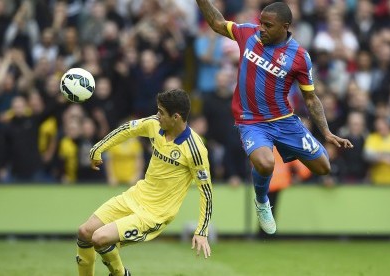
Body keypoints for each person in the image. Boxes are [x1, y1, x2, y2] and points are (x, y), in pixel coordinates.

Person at [195, 1, 353, 234]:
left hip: (285, 121)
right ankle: (261, 200)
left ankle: (288, 147)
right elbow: (218, 23)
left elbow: (310, 99)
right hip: (252, 122)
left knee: (323, 167)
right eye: (261, 23)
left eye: (268, 25)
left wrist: (326, 132)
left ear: (285, 26)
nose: (262, 29)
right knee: (266, 163)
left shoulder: (299, 56)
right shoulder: (248, 33)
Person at [76, 89, 213, 276]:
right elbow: (127, 129)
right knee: (84, 232)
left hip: (154, 214)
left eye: (161, 113)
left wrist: (202, 230)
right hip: (136, 196)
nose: (157, 116)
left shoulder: (195, 149)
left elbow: (206, 191)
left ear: (176, 117)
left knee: (99, 238)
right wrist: (98, 148)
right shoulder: (155, 125)